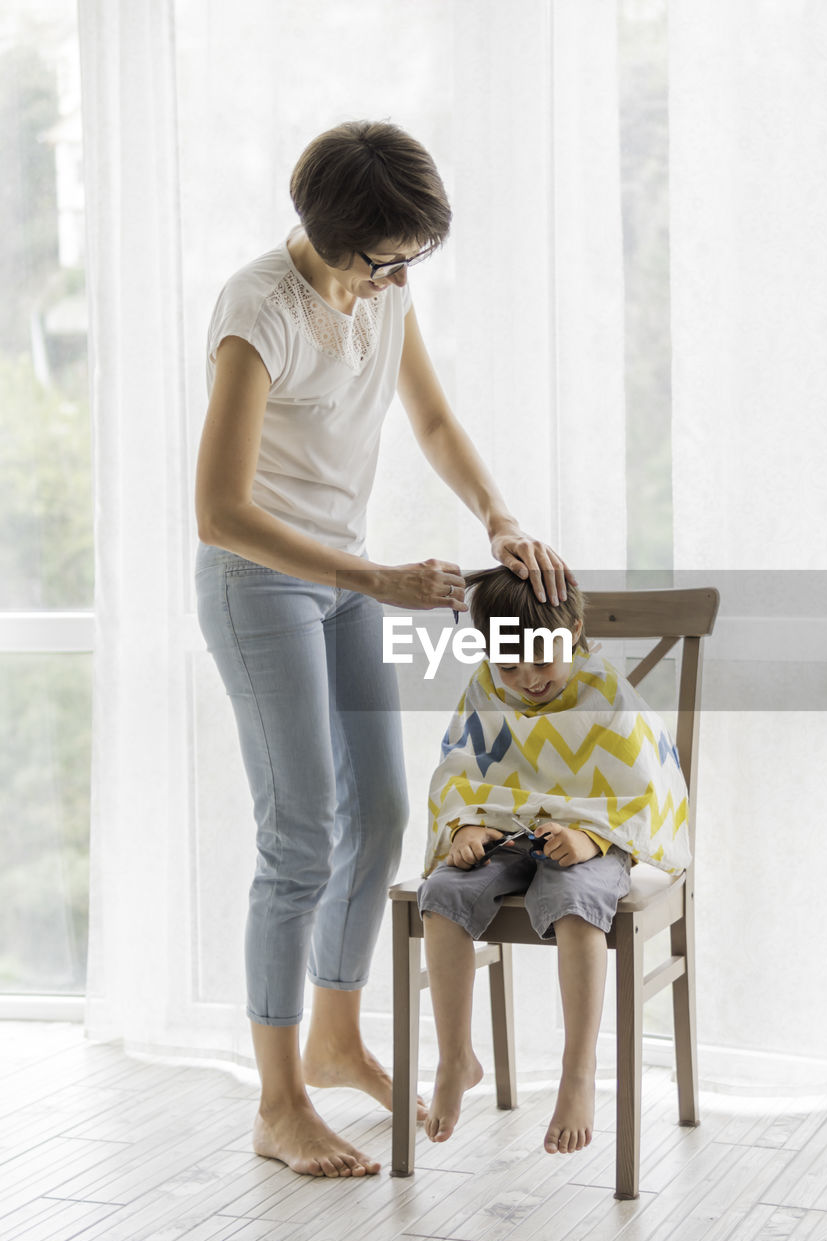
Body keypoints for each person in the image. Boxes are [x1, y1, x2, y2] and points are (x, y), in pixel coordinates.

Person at [194, 121, 570, 1179]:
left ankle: (337, 1035)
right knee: (301, 834)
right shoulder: (259, 311)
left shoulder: (387, 292)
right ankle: (278, 1100)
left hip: (345, 580)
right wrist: (379, 581)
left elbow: (434, 420)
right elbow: (217, 508)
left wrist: (496, 514)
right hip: (259, 581)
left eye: (411, 260)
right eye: (385, 260)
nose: (399, 278)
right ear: (331, 237)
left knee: (386, 815)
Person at [418, 567, 691, 1156]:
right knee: (442, 896)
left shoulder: (606, 693)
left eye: (542, 662)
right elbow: (461, 762)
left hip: (591, 835)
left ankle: (577, 1070)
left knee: (573, 901)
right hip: (503, 827)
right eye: (509, 666)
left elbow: (643, 785)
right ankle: (455, 1057)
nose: (527, 681)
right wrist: (465, 823)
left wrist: (593, 839)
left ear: (574, 632)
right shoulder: (486, 686)